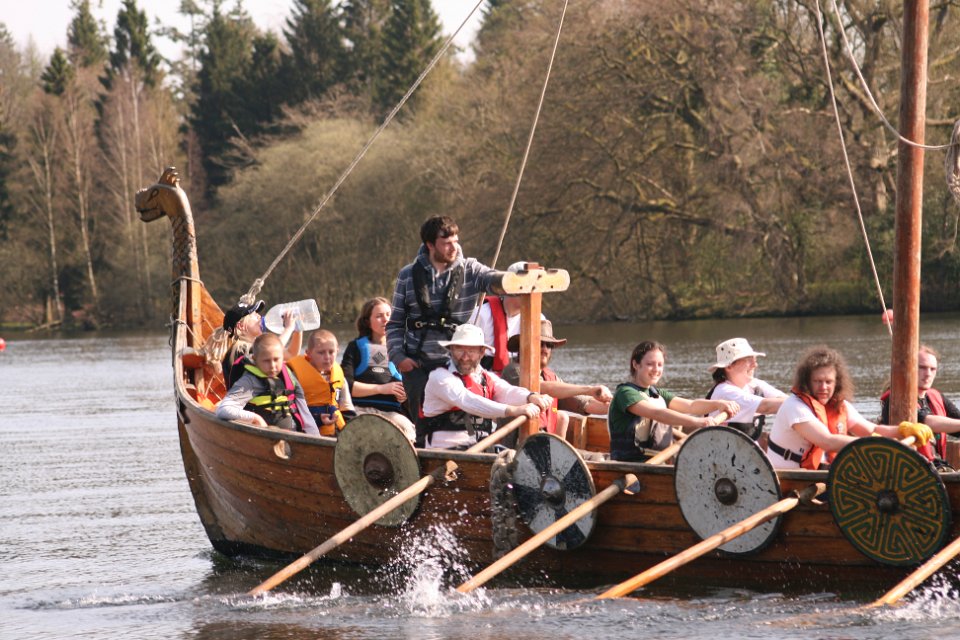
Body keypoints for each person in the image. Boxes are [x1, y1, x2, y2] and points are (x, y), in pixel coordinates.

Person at [386, 215, 507, 444]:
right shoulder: (408, 275)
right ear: (430, 245)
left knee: (465, 422)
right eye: (446, 243)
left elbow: (492, 279)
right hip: (417, 365)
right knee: (424, 426)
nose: (453, 247)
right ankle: (425, 456)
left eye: (455, 241)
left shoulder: (470, 270)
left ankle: (470, 457)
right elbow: (395, 323)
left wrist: (512, 280)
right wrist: (398, 357)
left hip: (458, 362)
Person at [767, 345, 932, 470]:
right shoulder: (795, 406)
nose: (823, 387)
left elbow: (872, 429)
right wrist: (879, 444)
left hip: (817, 473)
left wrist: (903, 430)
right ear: (807, 382)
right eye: (817, 381)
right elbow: (827, 442)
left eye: (828, 382)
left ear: (836, 383)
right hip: (788, 479)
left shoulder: (840, 405)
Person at [419, 324, 552, 450]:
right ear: (451, 350)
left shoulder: (486, 377)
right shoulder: (439, 377)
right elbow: (467, 400)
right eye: (459, 350)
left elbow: (507, 391)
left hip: (480, 450)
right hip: (444, 452)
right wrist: (513, 410)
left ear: (482, 352)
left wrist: (531, 397)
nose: (465, 357)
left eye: (471, 351)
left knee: (513, 458)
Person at [608, 341, 740, 462]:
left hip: (656, 461)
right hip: (629, 463)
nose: (656, 369)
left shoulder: (657, 394)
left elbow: (691, 406)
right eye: (650, 364)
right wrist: (697, 422)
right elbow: (657, 413)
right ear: (636, 364)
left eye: (660, 365)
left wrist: (719, 404)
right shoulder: (625, 393)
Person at [502, 320, 613, 439]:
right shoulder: (513, 370)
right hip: (514, 446)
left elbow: (586, 403)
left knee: (562, 417)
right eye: (540, 343)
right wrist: (590, 389)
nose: (545, 349)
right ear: (523, 346)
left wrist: (616, 405)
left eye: (549, 345)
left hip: (542, 444)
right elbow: (540, 387)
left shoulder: (551, 377)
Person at [341, 297, 416, 441]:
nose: (385, 319)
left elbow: (413, 388)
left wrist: (405, 396)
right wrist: (382, 389)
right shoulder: (354, 347)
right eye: (379, 316)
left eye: (388, 315)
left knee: (408, 431)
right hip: (361, 411)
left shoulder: (404, 351)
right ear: (367, 321)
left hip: (393, 414)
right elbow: (346, 386)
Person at [215, 333, 319, 435]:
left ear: (283, 358)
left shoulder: (289, 377)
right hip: (263, 438)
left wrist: (315, 437)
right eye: (266, 361)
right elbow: (223, 410)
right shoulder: (249, 381)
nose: (272, 365)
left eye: (276, 359)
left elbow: (306, 414)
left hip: (293, 436)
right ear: (255, 360)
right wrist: (256, 418)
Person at [880, 344, 960, 468]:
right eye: (922, 368)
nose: (928, 374)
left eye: (932, 369)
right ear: (908, 368)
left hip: (937, 467)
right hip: (909, 470)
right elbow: (926, 420)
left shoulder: (936, 397)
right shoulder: (896, 399)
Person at [706, 338, 786, 440]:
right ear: (729, 366)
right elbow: (766, 407)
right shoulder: (724, 392)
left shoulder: (754, 385)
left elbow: (786, 400)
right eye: (749, 360)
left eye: (755, 360)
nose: (755, 365)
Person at [473, 261, 544, 373]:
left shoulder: (539, 319)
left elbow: (543, 358)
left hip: (523, 377)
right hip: (485, 378)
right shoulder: (482, 315)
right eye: (526, 287)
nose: (532, 294)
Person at [287, 330, 357, 437]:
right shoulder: (294, 375)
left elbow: (347, 407)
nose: (327, 357)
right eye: (321, 352)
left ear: (337, 351)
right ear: (308, 353)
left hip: (337, 432)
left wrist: (352, 432)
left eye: (331, 352)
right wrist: (318, 419)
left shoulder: (339, 376)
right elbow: (291, 410)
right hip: (307, 433)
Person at [221, 299, 302, 387]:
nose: (259, 316)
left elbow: (291, 354)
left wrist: (298, 328)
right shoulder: (239, 348)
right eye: (254, 315)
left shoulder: (253, 346)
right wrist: (289, 328)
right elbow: (271, 351)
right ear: (241, 326)